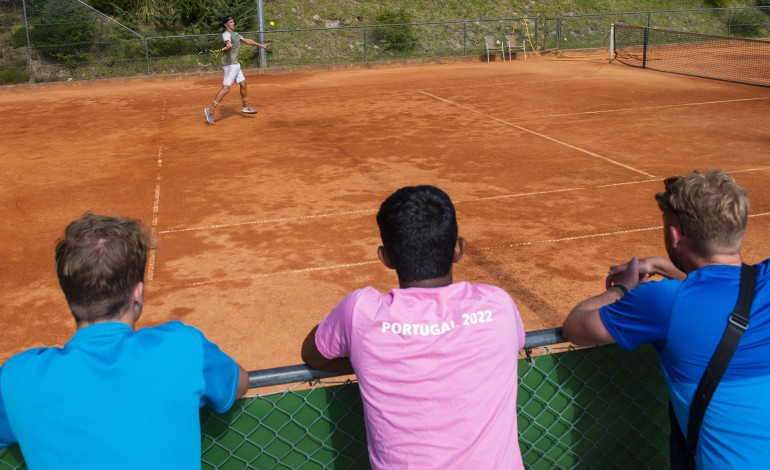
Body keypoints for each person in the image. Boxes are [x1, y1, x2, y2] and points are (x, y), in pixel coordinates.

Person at [302, 185, 526, 469]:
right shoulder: (498, 306)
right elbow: (513, 344)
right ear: (458, 248)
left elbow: (313, 354)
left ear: (386, 257)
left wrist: (372, 361)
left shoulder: (360, 312)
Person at [0, 213, 249, 469]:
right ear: (137, 294)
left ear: (69, 295)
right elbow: (239, 383)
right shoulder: (181, 347)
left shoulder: (18, 376)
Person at [562, 170, 770, 468]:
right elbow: (726, 288)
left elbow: (576, 327)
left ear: (674, 235)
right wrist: (661, 264)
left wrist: (624, 288)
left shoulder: (662, 302)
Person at [204, 15, 270, 125]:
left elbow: (247, 41)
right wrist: (228, 44)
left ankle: (245, 107)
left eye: (233, 21)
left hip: (235, 64)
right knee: (226, 89)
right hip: (230, 65)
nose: (233, 23)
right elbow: (227, 41)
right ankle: (210, 111)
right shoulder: (226, 34)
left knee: (243, 83)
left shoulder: (236, 34)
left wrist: (261, 45)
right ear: (226, 25)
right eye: (230, 22)